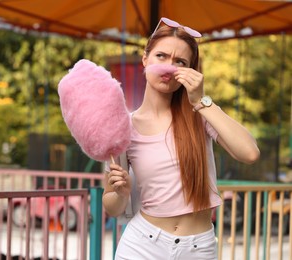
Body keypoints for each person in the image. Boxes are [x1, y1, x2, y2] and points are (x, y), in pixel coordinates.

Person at [102, 17, 260, 260]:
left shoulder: (200, 113)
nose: (169, 67)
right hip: (141, 245)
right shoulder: (123, 128)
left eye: (180, 62)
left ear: (190, 71)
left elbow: (250, 153)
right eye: (161, 56)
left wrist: (201, 101)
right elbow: (112, 207)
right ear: (145, 59)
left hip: (198, 248)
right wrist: (120, 193)